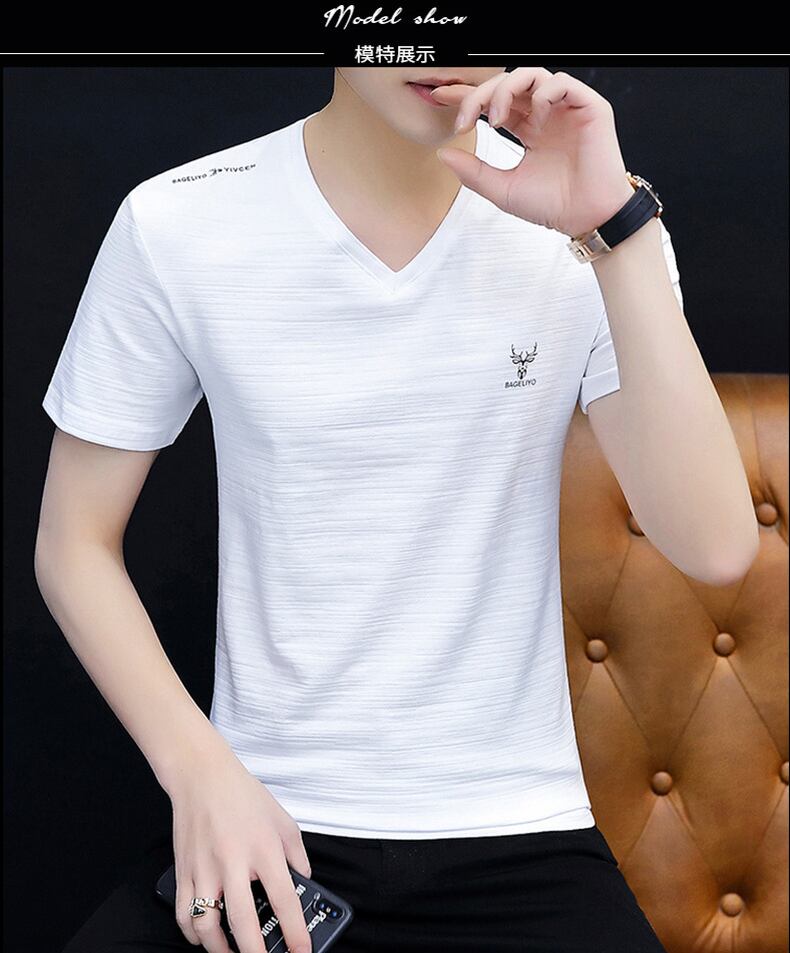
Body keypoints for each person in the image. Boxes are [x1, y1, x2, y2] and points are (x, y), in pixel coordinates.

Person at [35, 66, 759, 953]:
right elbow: (72, 542)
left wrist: (613, 230)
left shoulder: (593, 221)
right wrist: (199, 771)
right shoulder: (179, 218)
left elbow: (716, 546)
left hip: (520, 836)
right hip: (266, 829)